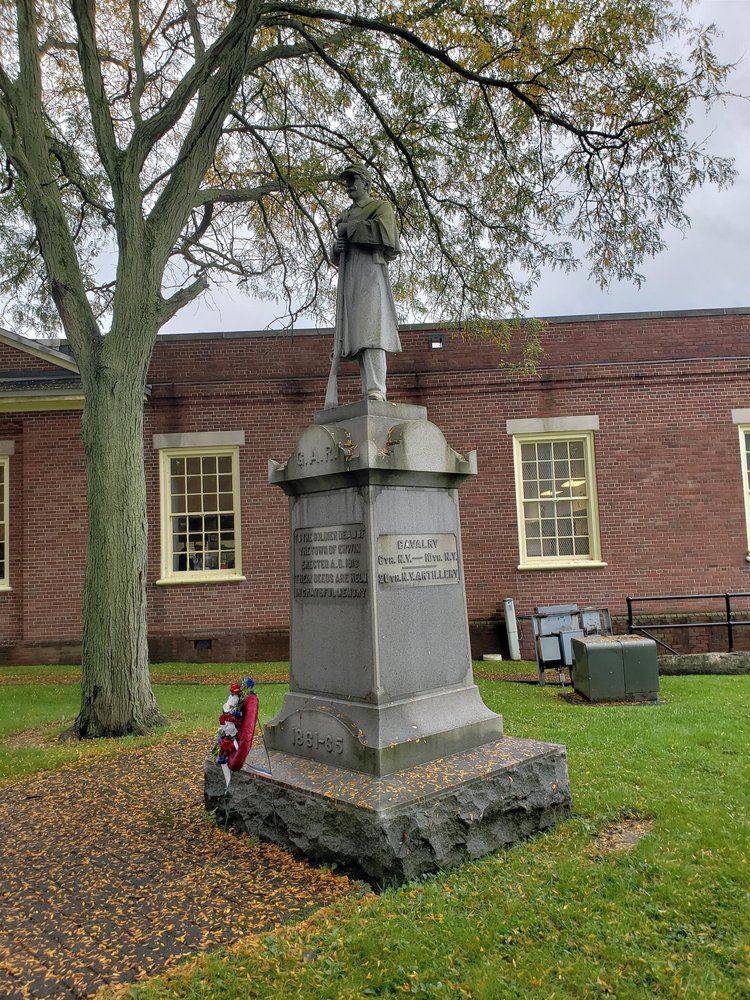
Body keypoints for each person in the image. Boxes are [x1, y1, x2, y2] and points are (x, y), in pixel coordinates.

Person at [331, 163, 401, 402]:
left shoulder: (379, 207)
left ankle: (376, 389)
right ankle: (367, 390)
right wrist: (336, 248)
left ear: (367, 183)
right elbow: (337, 256)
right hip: (350, 278)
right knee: (357, 336)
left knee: (373, 332)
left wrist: (349, 230)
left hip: (371, 273)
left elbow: (385, 233)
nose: (349, 185)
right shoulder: (345, 214)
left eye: (354, 180)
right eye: (347, 181)